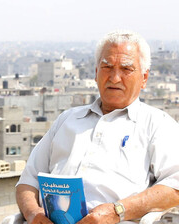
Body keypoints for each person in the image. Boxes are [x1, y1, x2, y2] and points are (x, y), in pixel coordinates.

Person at [16, 30, 179, 224]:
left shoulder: (157, 124)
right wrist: (33, 213)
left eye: (126, 69)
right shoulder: (67, 120)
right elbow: (28, 180)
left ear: (144, 78)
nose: (114, 77)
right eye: (107, 67)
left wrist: (117, 211)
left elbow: (175, 186)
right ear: (95, 73)